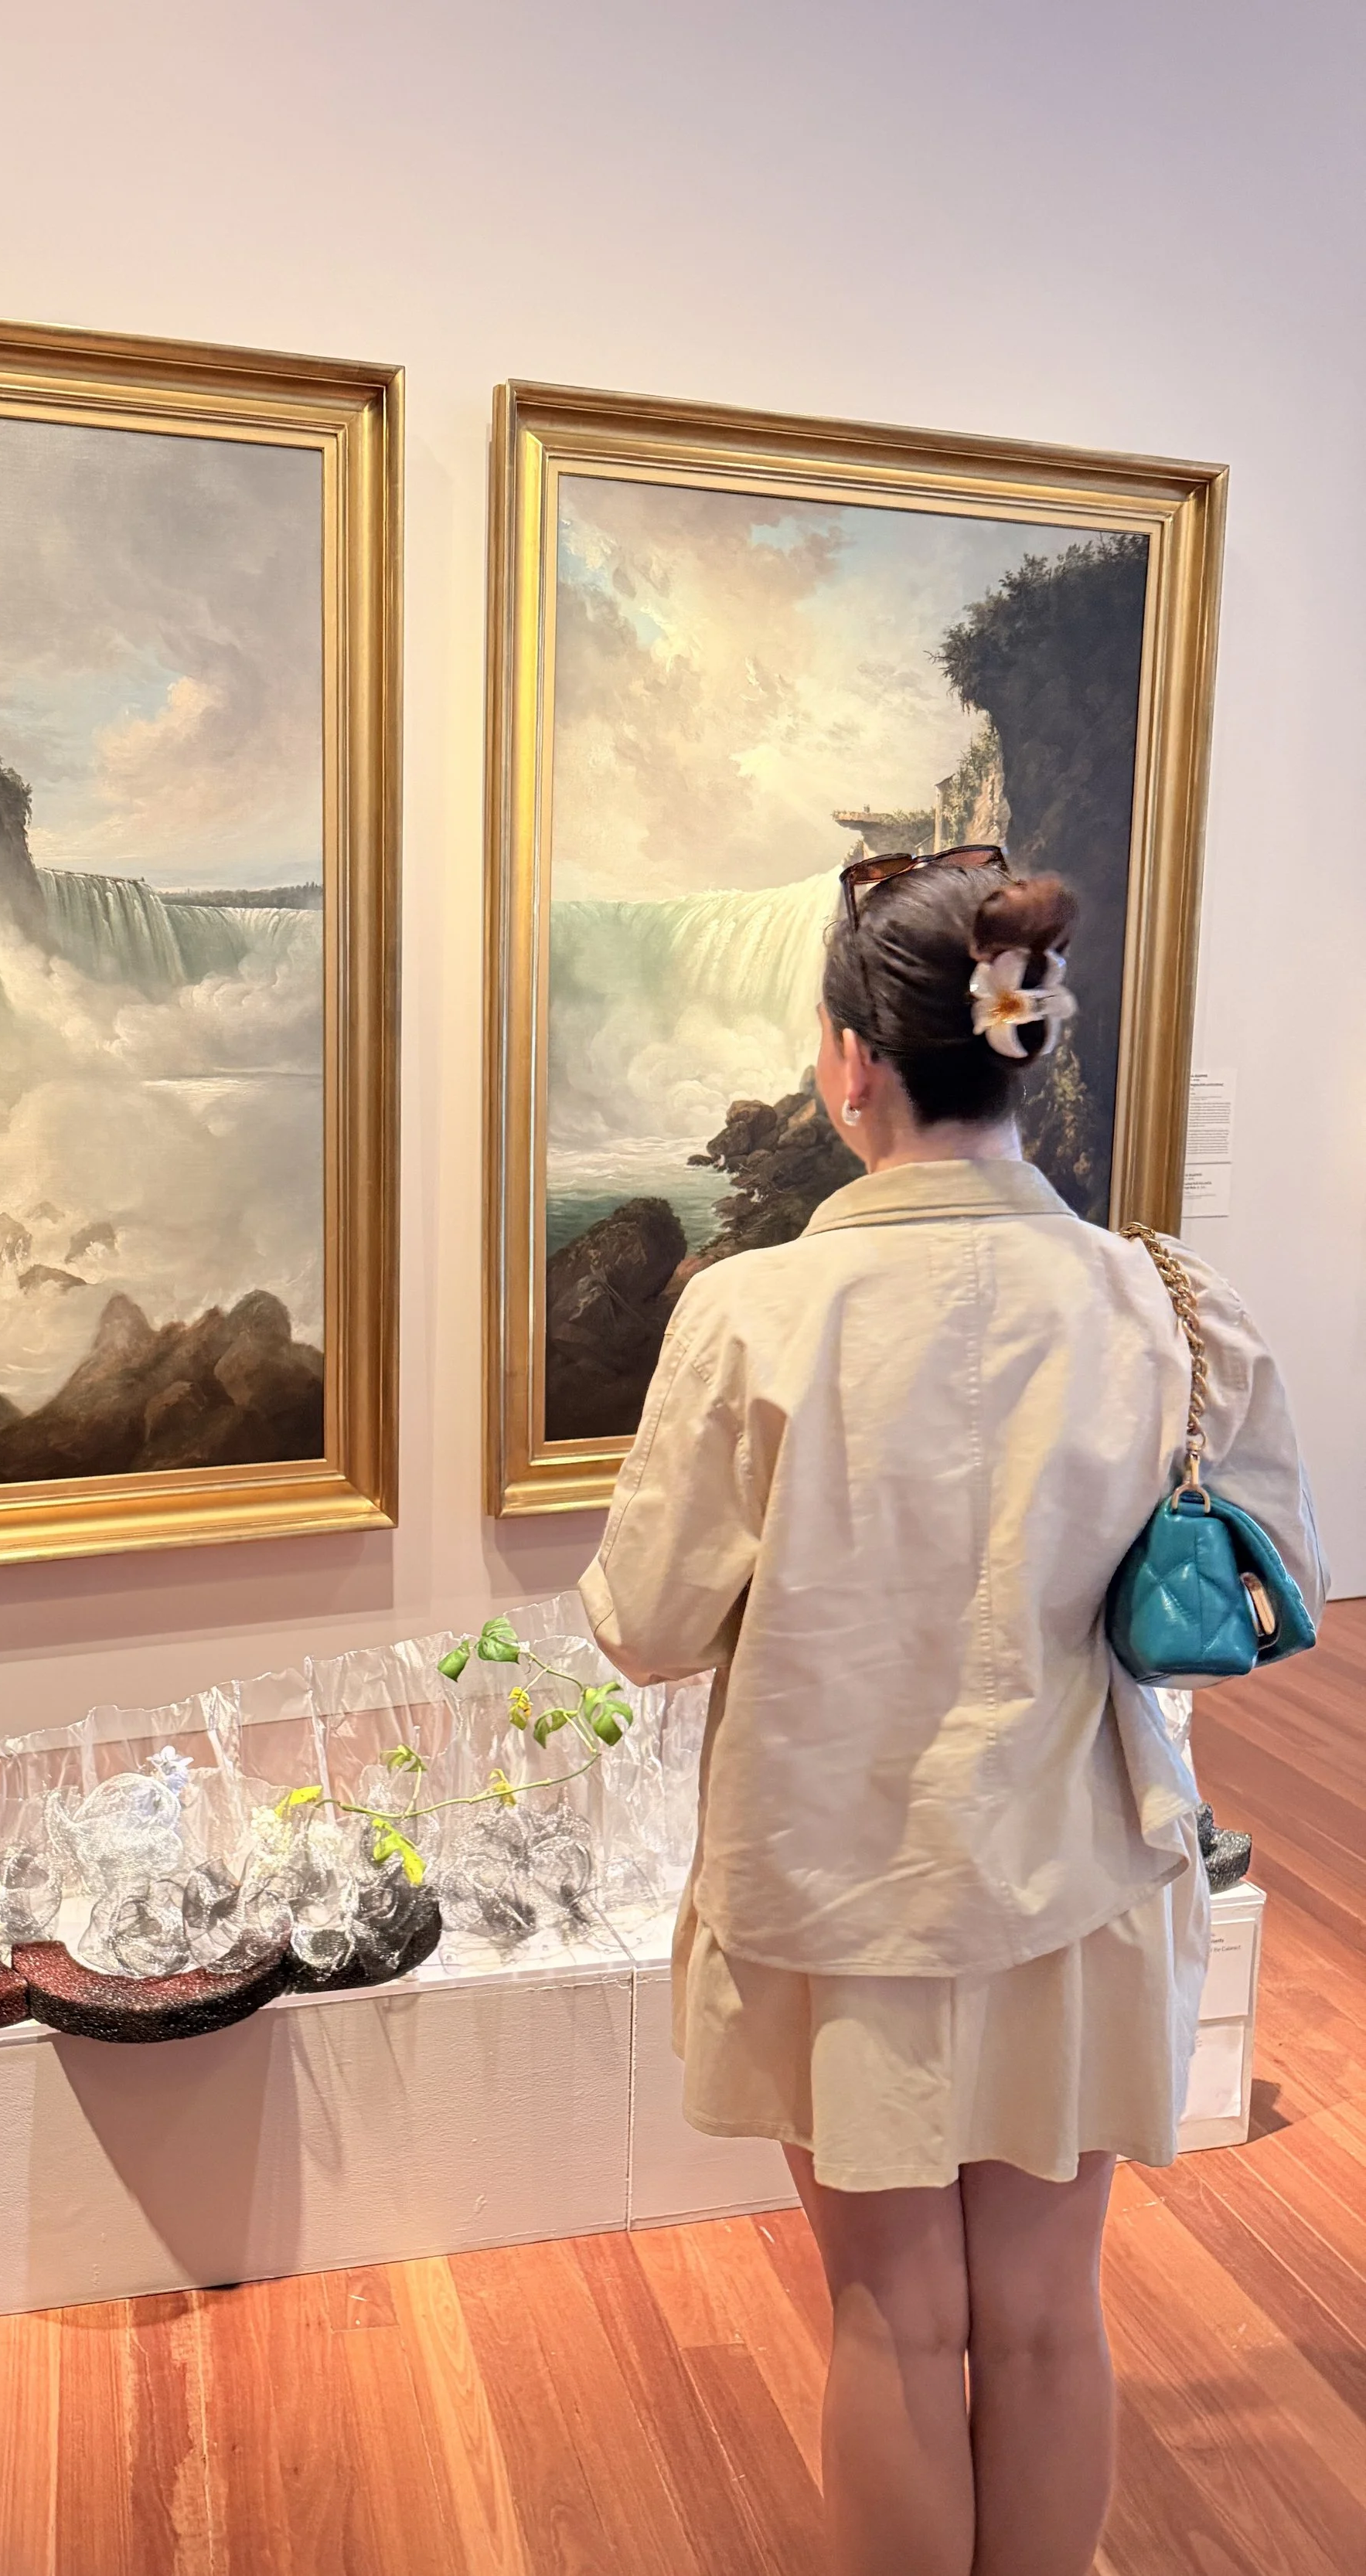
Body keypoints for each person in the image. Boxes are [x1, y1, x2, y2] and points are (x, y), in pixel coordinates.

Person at [581, 847, 1325, 2576]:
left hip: (839, 1895)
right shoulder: (1169, 1304)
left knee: (892, 2325)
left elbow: (641, 1624)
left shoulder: (751, 1313)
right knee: (1051, 2317)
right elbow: (1269, 1566)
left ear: (846, 1059)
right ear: (1026, 1048)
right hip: (1085, 1869)